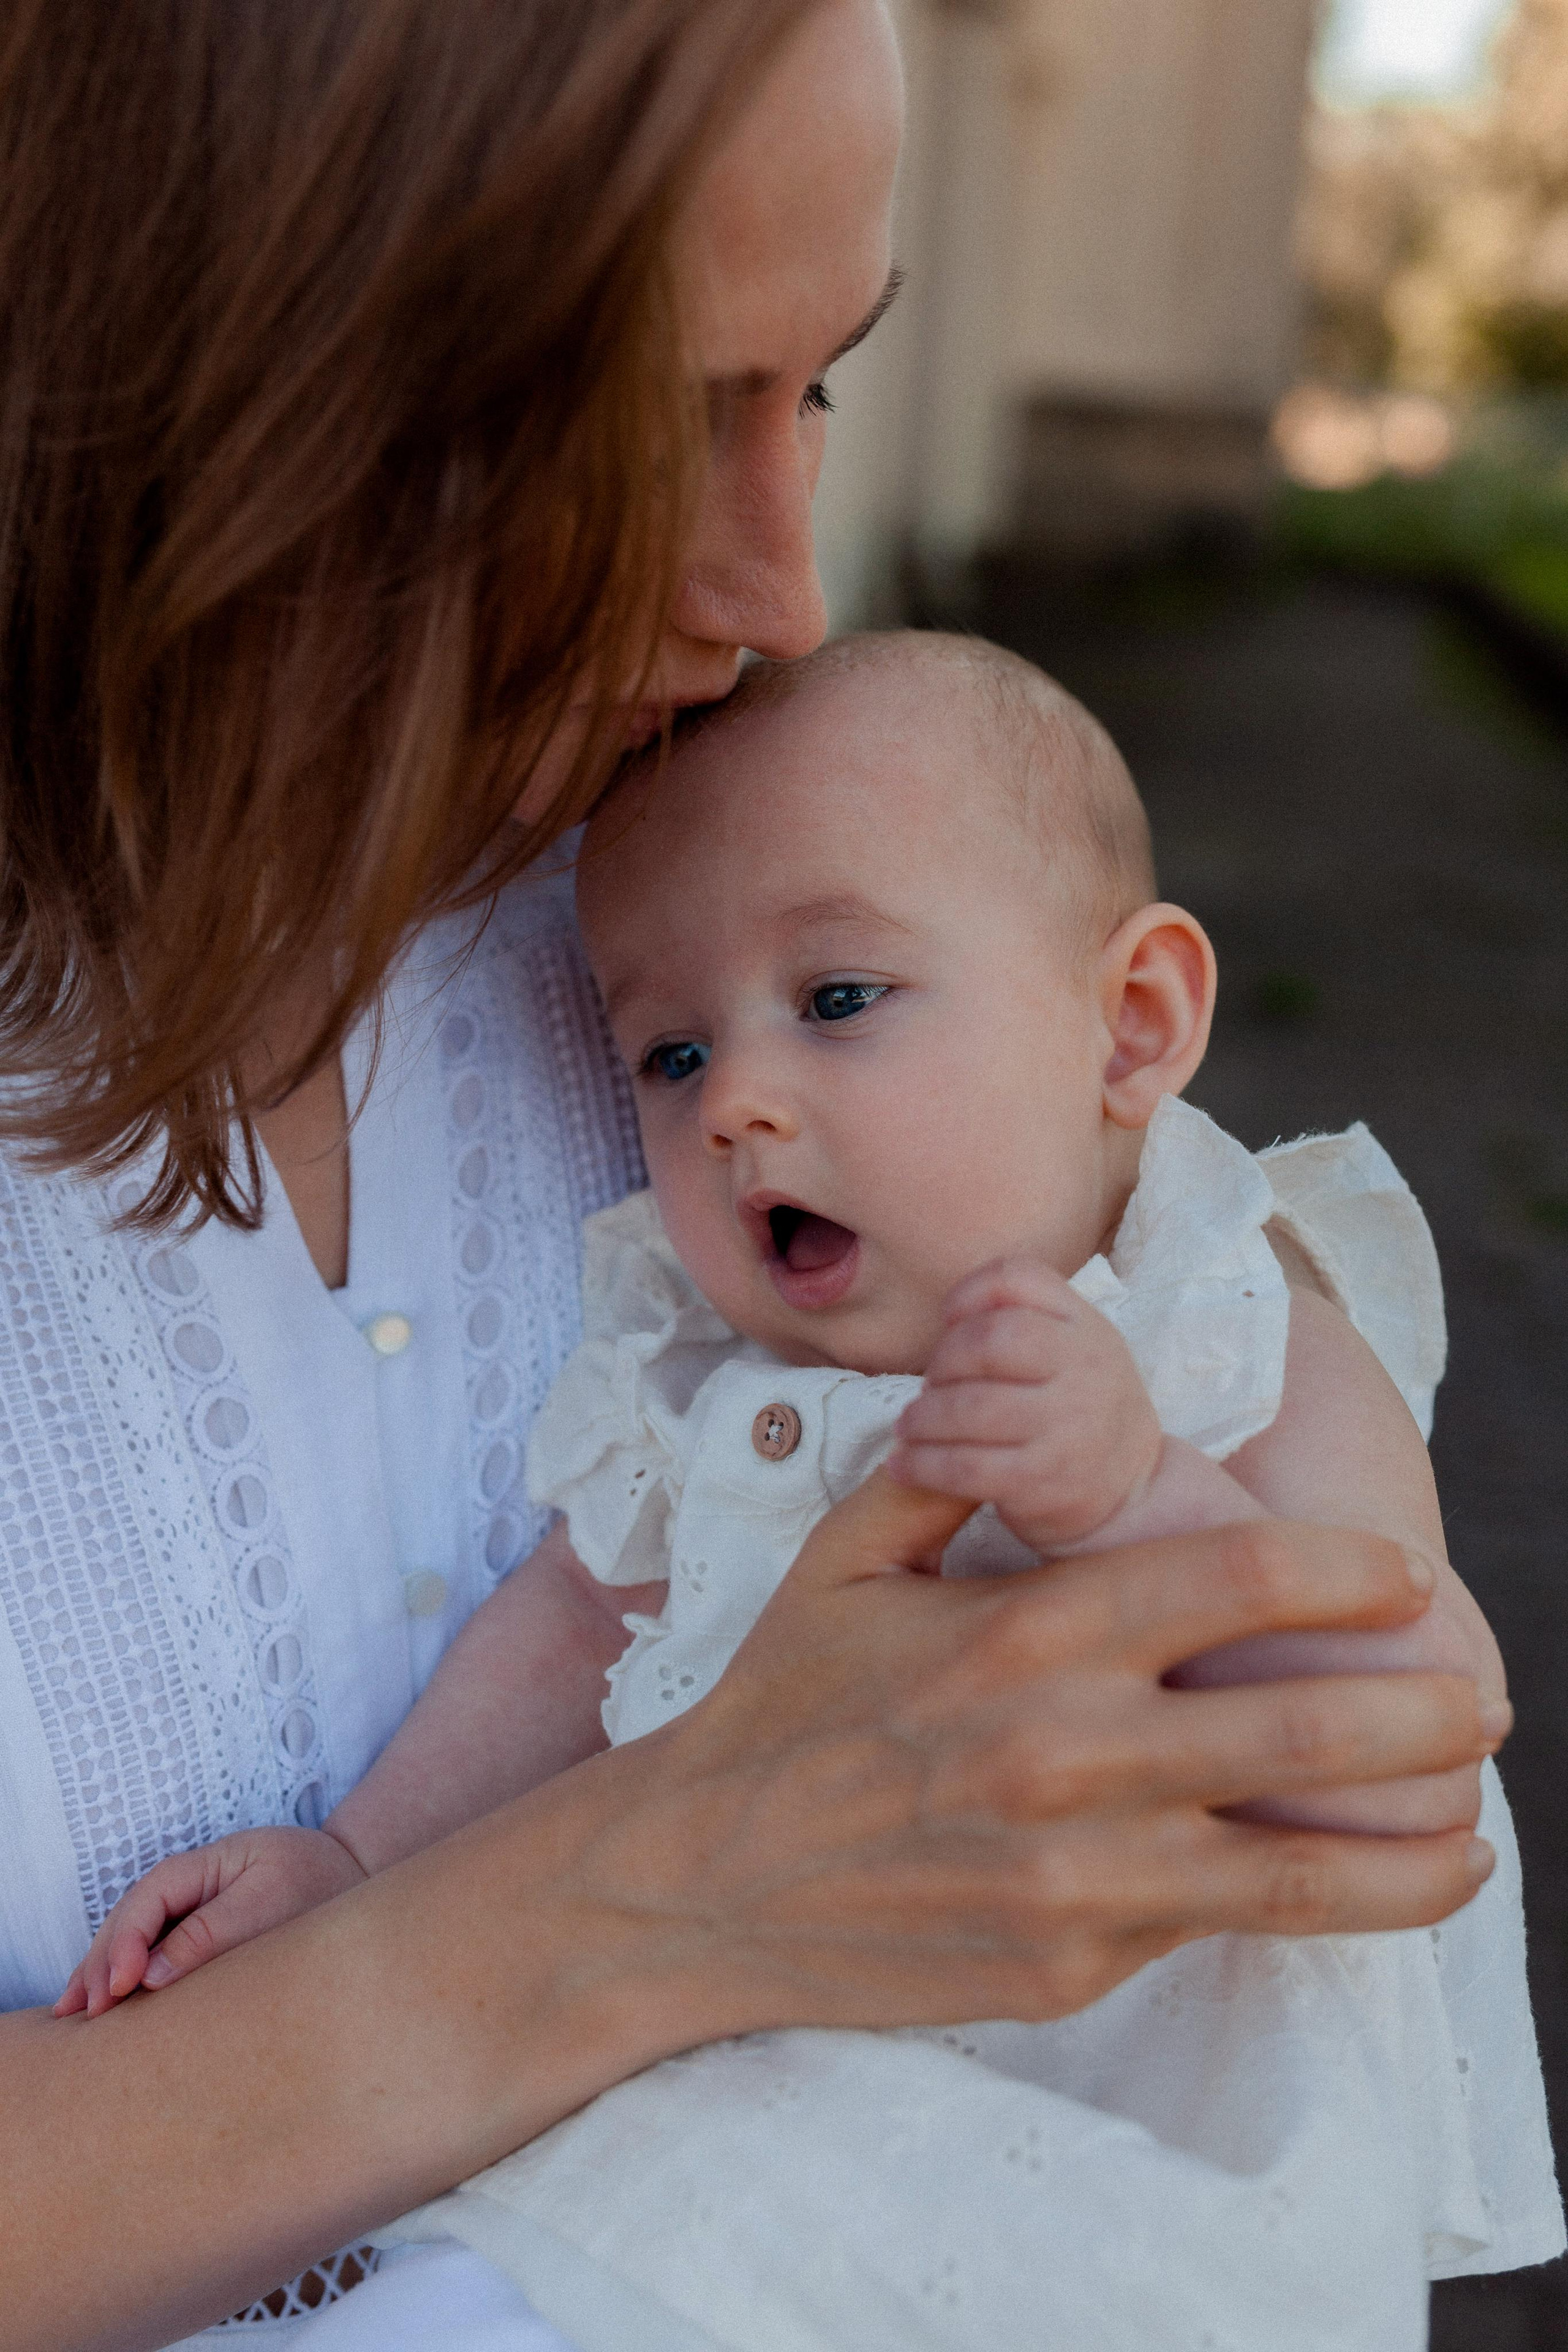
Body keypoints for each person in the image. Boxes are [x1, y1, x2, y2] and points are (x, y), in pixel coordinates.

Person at [0, 6, 1525, 2350]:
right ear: (231, 363)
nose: (780, 598)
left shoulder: (734, 903)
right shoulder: (699, 986)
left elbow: (1382, 1730)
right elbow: (591, 1610)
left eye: (813, 391)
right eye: (650, 427)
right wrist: (660, 1888)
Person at [55, 637, 1561, 2350]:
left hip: (1126, 2163)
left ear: (1130, 1028)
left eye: (838, 1001)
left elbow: (1409, 1745)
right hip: (741, 2100)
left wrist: (1139, 1493)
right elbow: (572, 1624)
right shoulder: (703, 1372)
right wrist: (354, 1860)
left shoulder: (1228, 1321)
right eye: (670, 1054)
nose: (737, 1108)